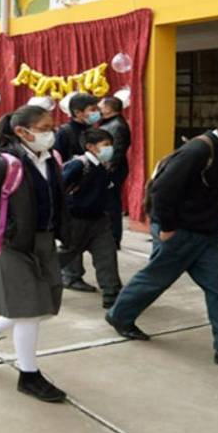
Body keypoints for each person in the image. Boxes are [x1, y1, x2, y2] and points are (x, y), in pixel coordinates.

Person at [106, 110, 218, 373]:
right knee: (155, 279)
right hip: (181, 232)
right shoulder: (197, 151)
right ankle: (120, 315)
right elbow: (162, 190)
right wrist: (167, 227)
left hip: (207, 234)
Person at [0, 105, 69, 402]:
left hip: (44, 241)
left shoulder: (53, 159)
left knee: (43, 305)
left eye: (53, 127)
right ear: (22, 132)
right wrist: (6, 229)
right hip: (11, 246)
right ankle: (29, 375)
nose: (51, 133)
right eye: (45, 128)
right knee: (29, 310)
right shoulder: (3, 163)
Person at [57, 127, 122, 307]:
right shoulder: (79, 165)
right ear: (90, 147)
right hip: (77, 220)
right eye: (106, 145)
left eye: (111, 144)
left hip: (99, 220)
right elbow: (58, 188)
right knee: (67, 253)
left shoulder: (103, 166)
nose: (111, 148)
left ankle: (112, 295)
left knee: (107, 255)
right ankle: (39, 278)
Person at [98, 96, 131, 249]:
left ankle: (114, 239)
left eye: (101, 106)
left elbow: (117, 151)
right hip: (107, 169)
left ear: (108, 108)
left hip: (113, 171)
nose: (98, 108)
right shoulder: (108, 124)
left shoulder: (117, 126)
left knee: (112, 205)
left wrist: (108, 171)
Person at [53, 93, 101, 162]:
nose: (97, 112)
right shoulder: (64, 132)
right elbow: (58, 160)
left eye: (97, 109)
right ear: (77, 112)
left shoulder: (92, 129)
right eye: (93, 110)